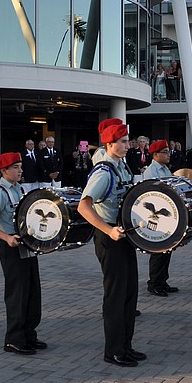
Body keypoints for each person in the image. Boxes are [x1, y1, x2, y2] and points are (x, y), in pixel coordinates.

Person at [77, 124, 145, 367]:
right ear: (110, 144)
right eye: (124, 142)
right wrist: (108, 230)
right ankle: (113, 350)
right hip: (110, 237)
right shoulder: (103, 172)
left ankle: (126, 345)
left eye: (128, 141)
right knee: (116, 296)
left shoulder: (121, 165)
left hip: (123, 235)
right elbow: (84, 206)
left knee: (129, 293)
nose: (129, 146)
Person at [0, 152, 44, 355]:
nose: (20, 170)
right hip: (11, 246)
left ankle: (28, 335)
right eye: (16, 167)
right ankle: (14, 339)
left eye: (20, 166)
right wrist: (6, 237)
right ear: (4, 170)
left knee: (33, 292)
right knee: (17, 294)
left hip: (26, 245)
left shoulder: (19, 189)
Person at [143, 140, 178, 296]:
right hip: (156, 215)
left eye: (168, 151)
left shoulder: (165, 170)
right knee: (158, 250)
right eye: (164, 152)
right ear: (155, 155)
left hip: (166, 213)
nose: (168, 154)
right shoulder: (151, 171)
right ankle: (154, 283)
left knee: (167, 249)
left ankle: (163, 281)